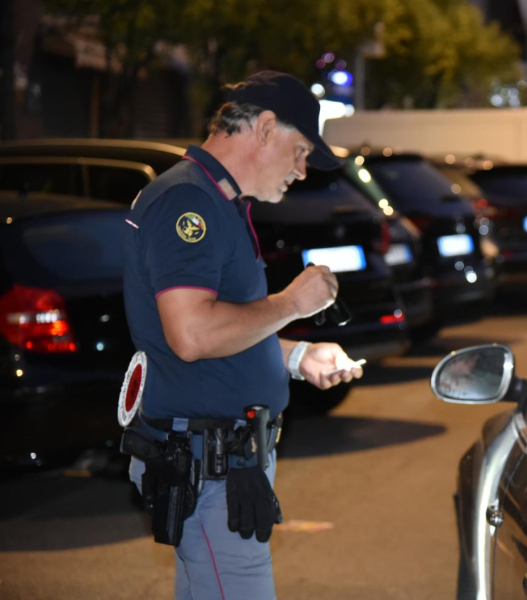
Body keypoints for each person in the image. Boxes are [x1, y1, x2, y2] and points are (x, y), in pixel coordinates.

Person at [120, 71, 364, 600]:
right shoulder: (189, 202)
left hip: (220, 463)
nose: (301, 170)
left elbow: (216, 332)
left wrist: (296, 356)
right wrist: (292, 304)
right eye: (300, 151)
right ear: (265, 127)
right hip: (209, 468)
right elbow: (192, 335)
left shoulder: (217, 199)